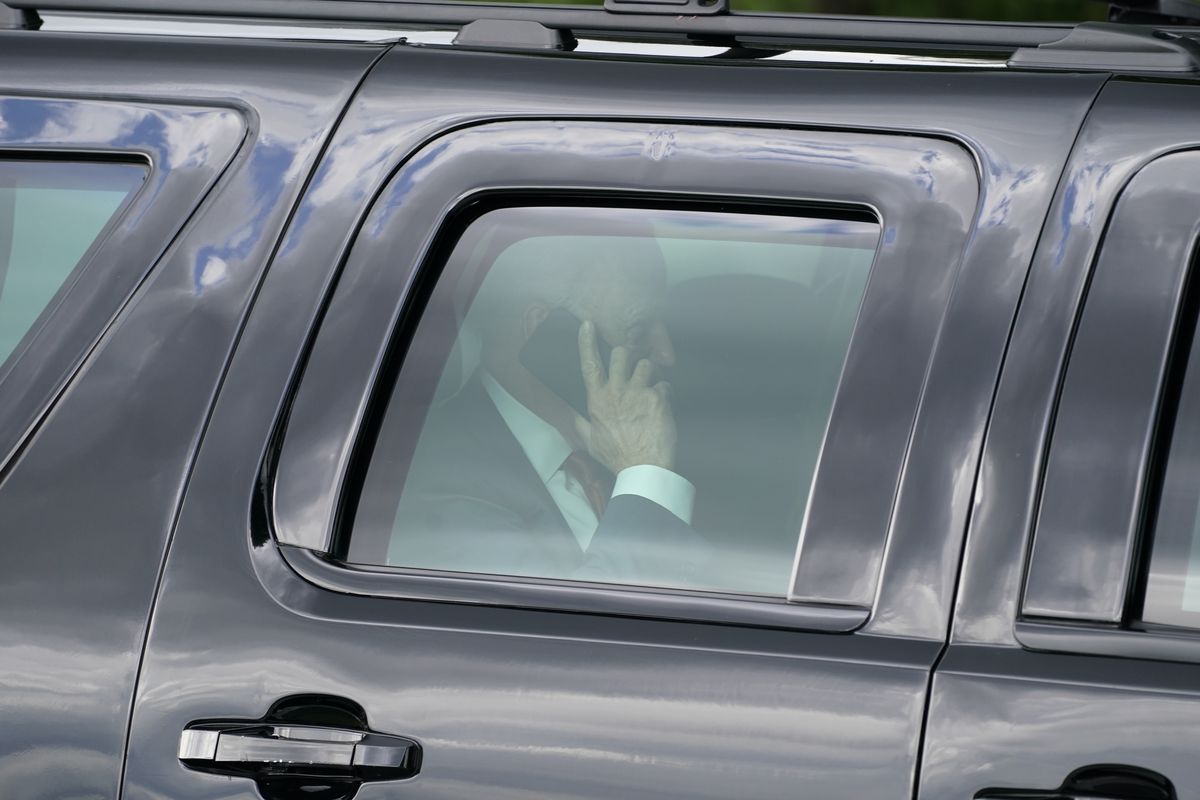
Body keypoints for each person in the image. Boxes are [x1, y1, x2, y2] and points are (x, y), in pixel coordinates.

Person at [385, 242, 709, 587]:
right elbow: (584, 633)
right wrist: (646, 473)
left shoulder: (659, 429)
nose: (666, 353)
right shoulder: (438, 486)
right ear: (542, 332)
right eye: (638, 332)